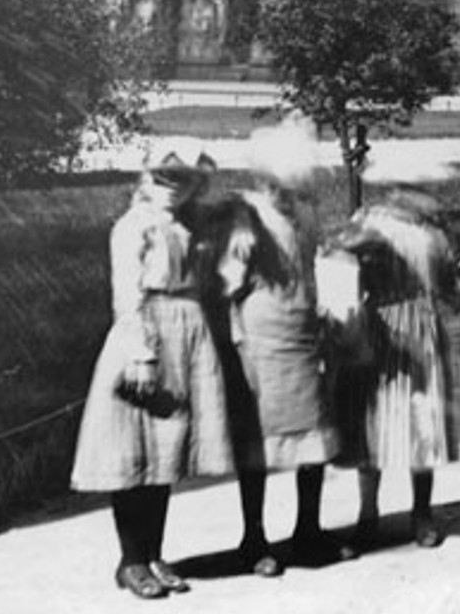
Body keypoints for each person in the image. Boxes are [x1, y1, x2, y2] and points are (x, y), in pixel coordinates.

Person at [69, 142, 234, 600]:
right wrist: (141, 354)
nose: (171, 189)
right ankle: (131, 560)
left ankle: (155, 553)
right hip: (144, 334)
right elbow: (127, 295)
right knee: (133, 452)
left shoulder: (186, 227)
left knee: (166, 452)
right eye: (162, 179)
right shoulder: (132, 227)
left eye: (180, 181)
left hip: (187, 334)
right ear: (145, 181)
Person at [205, 119, 343, 575]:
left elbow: (312, 266)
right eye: (280, 177)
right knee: (258, 443)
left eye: (296, 177)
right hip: (261, 340)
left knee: (315, 439)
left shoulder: (304, 214)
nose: (288, 185)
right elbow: (225, 284)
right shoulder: (244, 216)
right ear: (264, 174)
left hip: (304, 337)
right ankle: (254, 538)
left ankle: (308, 532)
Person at [326, 185, 460, 552]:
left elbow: (454, 296)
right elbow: (335, 259)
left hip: (423, 329)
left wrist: (459, 282)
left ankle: (422, 514)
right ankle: (368, 514)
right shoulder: (368, 222)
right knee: (371, 422)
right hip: (379, 329)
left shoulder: (435, 232)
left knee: (421, 421)